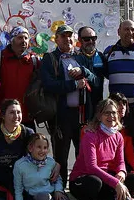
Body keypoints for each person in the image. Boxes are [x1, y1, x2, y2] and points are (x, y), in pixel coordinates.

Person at [69, 99, 134, 200]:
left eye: (113, 112)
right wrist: (116, 183)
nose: (111, 116)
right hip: (83, 179)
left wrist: (121, 172)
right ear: (99, 116)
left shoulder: (118, 136)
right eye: (106, 113)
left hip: (106, 177)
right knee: (95, 183)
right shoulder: (90, 135)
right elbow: (92, 167)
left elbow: (120, 161)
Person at [41, 24, 96, 185]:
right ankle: (59, 191)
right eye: (63, 36)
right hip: (61, 116)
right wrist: (73, 85)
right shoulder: (50, 58)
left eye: (69, 35)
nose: (67, 39)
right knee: (61, 157)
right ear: (56, 39)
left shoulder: (81, 56)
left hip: (82, 115)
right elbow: (48, 85)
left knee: (83, 155)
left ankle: (80, 189)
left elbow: (95, 80)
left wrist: (83, 72)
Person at [13, 133, 73, 200]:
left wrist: (58, 190)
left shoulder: (50, 162)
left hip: (52, 192)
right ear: (30, 148)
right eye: (39, 147)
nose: (42, 151)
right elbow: (18, 189)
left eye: (45, 147)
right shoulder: (20, 165)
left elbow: (57, 179)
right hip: (35, 196)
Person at [103, 20, 134, 121]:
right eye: (126, 29)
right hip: (116, 109)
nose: (130, 32)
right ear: (118, 32)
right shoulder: (108, 52)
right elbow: (106, 74)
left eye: (133, 29)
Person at [0, 26, 39, 130]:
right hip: (4, 116)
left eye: (26, 38)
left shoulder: (33, 61)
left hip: (26, 117)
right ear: (12, 39)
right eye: (20, 37)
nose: (23, 41)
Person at [77, 26, 105, 120]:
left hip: (97, 104)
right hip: (79, 105)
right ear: (79, 39)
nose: (90, 41)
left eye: (93, 38)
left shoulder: (101, 56)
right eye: (86, 39)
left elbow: (109, 76)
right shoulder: (74, 57)